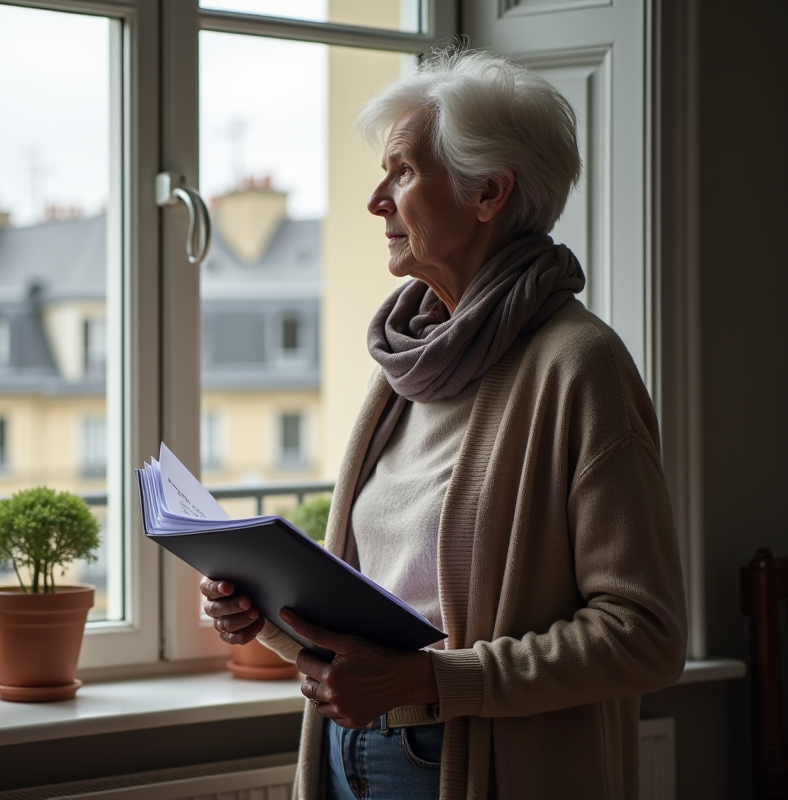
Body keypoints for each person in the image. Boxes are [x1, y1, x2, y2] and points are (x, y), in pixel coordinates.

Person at [201, 47, 686, 800]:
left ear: (489, 193)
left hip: (461, 762)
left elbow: (645, 637)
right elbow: (387, 605)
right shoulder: (405, 363)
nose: (376, 200)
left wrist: (434, 678)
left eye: (402, 171)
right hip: (343, 747)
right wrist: (266, 615)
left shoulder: (581, 365)